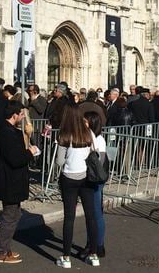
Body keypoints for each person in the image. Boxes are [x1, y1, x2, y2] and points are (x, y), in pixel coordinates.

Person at [0, 101, 40, 264]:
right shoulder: (7, 133)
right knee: (10, 216)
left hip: (10, 178)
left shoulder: (6, 129)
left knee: (14, 214)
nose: (22, 117)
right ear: (14, 115)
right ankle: (1, 251)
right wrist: (30, 152)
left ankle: (5, 247)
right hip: (10, 179)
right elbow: (15, 158)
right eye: (21, 114)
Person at [55, 106, 100, 268]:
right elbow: (96, 154)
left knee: (69, 217)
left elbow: (59, 162)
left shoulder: (65, 135)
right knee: (90, 216)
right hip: (86, 177)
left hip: (69, 177)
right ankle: (94, 254)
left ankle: (66, 257)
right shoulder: (89, 133)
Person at [83, 111, 108, 260]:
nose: (82, 124)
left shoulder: (98, 140)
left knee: (96, 213)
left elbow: (100, 161)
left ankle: (98, 244)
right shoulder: (91, 137)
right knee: (91, 213)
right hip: (90, 177)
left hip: (94, 178)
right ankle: (93, 243)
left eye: (85, 121)